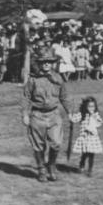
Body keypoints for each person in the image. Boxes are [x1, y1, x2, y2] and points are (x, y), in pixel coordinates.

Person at [20, 47, 74, 183]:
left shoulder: (58, 78)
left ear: (52, 63)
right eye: (43, 62)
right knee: (38, 145)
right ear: (39, 63)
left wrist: (70, 112)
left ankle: (51, 166)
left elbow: (64, 97)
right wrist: (25, 114)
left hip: (54, 115)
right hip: (37, 115)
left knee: (56, 143)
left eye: (49, 61)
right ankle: (41, 169)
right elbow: (26, 97)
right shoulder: (33, 79)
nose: (46, 64)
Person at [69, 96, 103, 177]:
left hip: (93, 137)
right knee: (84, 153)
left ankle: (90, 170)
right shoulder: (82, 114)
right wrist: (70, 116)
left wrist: (95, 116)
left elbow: (100, 122)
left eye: (93, 106)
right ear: (85, 106)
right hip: (84, 137)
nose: (91, 108)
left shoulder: (95, 115)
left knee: (91, 154)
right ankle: (81, 165)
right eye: (89, 106)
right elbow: (74, 119)